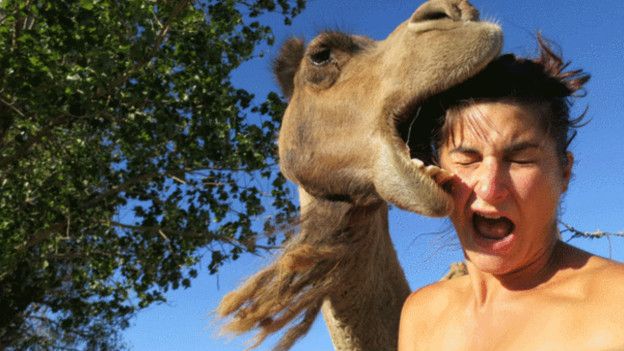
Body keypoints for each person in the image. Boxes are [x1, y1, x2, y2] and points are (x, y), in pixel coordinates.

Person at [398, 38, 624, 351]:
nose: (490, 187)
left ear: (565, 173)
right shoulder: (422, 315)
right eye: (468, 159)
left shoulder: (615, 311)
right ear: (437, 172)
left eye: (520, 159)